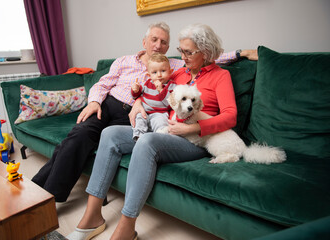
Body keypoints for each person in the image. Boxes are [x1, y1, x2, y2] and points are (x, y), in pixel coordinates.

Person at [31, 21, 258, 203]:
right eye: (154, 40)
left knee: (126, 139)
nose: (159, 46)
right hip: (117, 108)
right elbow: (115, 84)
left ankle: (46, 198)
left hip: (165, 126)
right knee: (81, 135)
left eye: (165, 43)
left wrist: (241, 53)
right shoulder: (145, 66)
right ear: (145, 41)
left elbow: (209, 63)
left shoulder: (190, 70)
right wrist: (113, 101)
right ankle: (50, 198)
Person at [67, 23, 239, 240]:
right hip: (167, 130)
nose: (182, 56)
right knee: (110, 134)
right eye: (182, 50)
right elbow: (153, 89)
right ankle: (92, 217)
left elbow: (231, 116)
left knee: (147, 142)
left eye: (188, 52)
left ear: (205, 52)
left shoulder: (220, 76)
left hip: (196, 140)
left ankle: (126, 228)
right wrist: (138, 102)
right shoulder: (179, 73)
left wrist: (194, 127)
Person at [131, 53, 176, 141]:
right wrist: (135, 90)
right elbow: (136, 96)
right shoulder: (148, 83)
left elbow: (170, 103)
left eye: (163, 71)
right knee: (139, 118)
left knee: (161, 123)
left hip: (160, 113)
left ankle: (159, 139)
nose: (159, 75)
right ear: (149, 75)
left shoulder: (171, 86)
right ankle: (139, 137)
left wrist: (161, 90)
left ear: (170, 72)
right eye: (154, 72)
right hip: (145, 111)